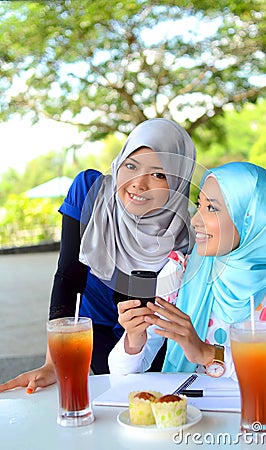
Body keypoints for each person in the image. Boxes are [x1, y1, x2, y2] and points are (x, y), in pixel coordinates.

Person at [0, 118, 196, 394]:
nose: (138, 184)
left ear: (178, 181)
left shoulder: (188, 235)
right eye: (131, 166)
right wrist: (54, 361)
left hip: (153, 343)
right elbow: (68, 276)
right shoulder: (90, 191)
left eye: (159, 174)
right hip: (95, 331)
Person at [109, 162, 266, 394]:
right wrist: (135, 339)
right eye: (199, 206)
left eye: (212, 208)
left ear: (251, 218)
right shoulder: (182, 272)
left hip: (260, 422)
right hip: (190, 420)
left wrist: (208, 353)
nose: (196, 220)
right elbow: (121, 373)